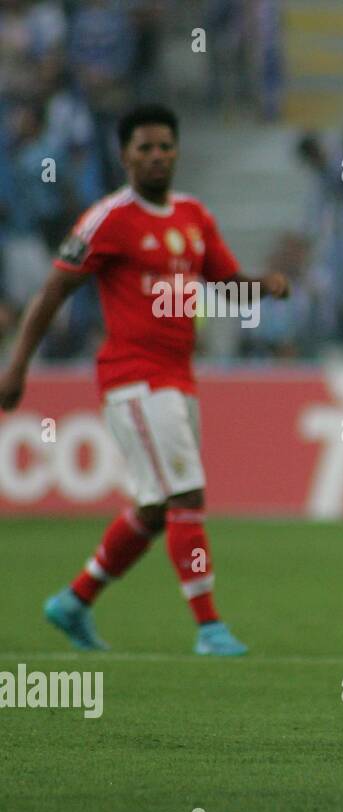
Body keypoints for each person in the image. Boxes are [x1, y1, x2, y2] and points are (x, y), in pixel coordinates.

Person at [0, 103, 291, 656]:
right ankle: (209, 628)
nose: (156, 157)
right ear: (124, 155)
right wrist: (16, 366)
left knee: (155, 508)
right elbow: (53, 293)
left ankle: (74, 600)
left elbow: (225, 286)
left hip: (179, 377)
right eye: (144, 148)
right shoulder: (108, 219)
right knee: (186, 493)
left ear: (176, 151)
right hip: (134, 379)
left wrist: (265, 287)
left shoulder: (194, 216)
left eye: (164, 146)